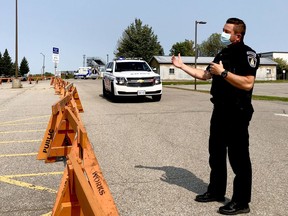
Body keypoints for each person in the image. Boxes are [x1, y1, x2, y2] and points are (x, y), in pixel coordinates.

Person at [171, 18, 259, 215]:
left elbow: (247, 83)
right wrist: (182, 66)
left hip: (237, 112)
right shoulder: (222, 53)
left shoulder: (248, 54)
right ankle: (216, 191)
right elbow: (205, 75)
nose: (222, 33)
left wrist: (224, 73)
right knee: (216, 153)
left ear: (238, 35)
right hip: (220, 110)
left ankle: (241, 202)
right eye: (223, 29)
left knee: (239, 158)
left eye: (226, 31)